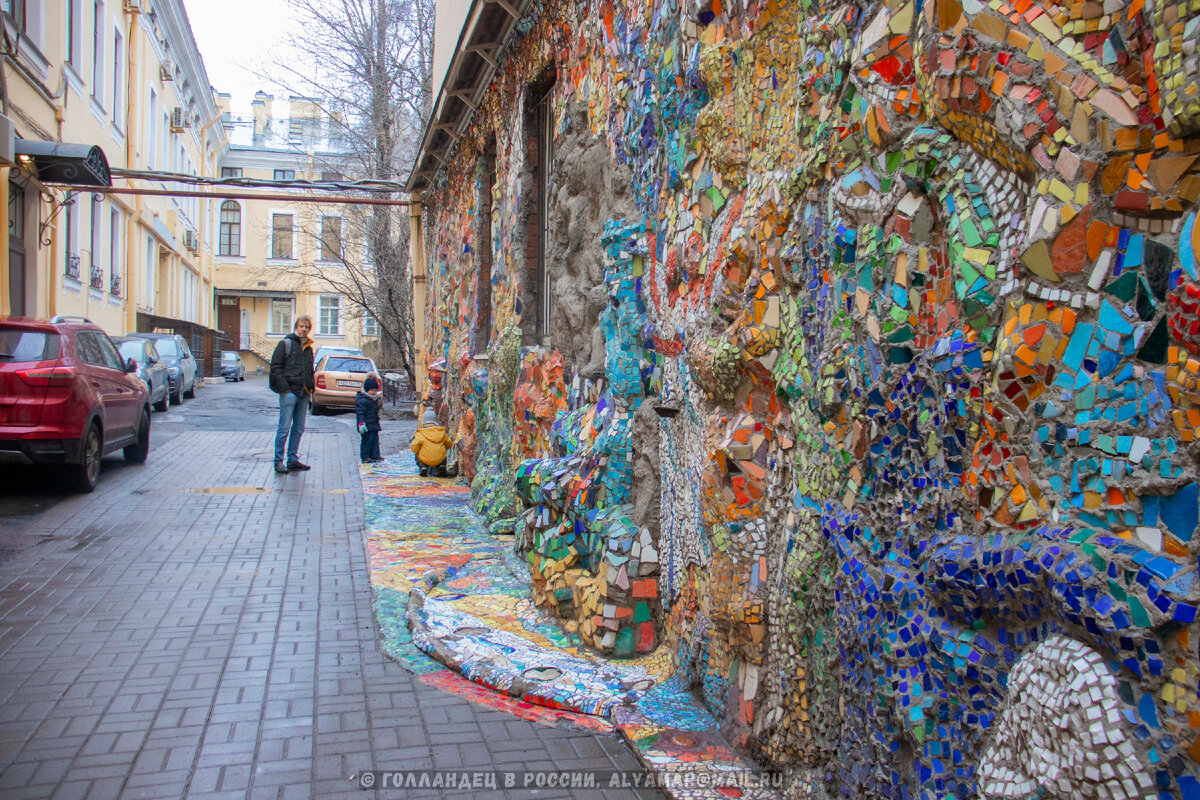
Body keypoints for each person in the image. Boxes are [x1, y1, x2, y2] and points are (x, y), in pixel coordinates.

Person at [269, 316, 315, 473]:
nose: (304, 329)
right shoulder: (286, 344)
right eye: (301, 326)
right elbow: (276, 366)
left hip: (304, 393)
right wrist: (285, 388)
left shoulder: (308, 347)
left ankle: (293, 459)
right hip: (289, 392)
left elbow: (310, 370)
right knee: (284, 428)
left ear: (309, 329)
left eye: (307, 327)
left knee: (299, 428)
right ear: (296, 327)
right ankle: (278, 461)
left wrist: (311, 388)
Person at [410, 407, 451, 477]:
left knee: (417, 453)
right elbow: (449, 444)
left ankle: (423, 467)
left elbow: (414, 447)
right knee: (443, 450)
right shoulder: (441, 432)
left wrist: (418, 450)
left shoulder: (420, 433)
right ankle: (441, 466)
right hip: (439, 459)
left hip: (425, 459)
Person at [356, 375, 383, 463]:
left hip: (373, 424)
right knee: (367, 441)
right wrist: (361, 423)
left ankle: (375, 455)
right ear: (366, 390)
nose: (374, 392)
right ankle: (365, 456)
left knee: (375, 440)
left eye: (375, 390)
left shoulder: (373, 399)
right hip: (366, 425)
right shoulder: (362, 400)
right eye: (372, 390)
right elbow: (360, 413)